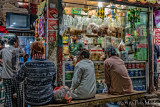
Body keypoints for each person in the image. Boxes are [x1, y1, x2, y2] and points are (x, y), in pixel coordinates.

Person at [14, 41, 57, 106]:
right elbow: (53, 84)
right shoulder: (52, 65)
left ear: (32, 51)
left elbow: (17, 79)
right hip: (48, 98)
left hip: (31, 100)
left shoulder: (27, 65)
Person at [0, 37, 24, 107]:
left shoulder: (3, 51)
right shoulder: (18, 50)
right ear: (14, 43)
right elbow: (23, 53)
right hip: (16, 76)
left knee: (8, 94)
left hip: (6, 76)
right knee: (20, 95)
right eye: (17, 42)